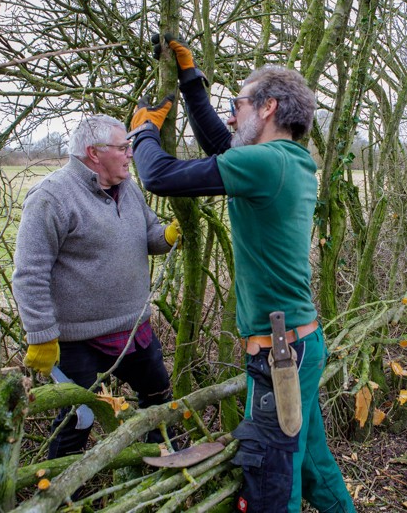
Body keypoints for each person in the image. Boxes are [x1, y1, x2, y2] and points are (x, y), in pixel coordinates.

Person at [127, 33, 355, 513]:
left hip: (279, 360)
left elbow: (160, 176)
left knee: (272, 489)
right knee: (313, 466)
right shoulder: (290, 161)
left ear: (268, 106)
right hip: (299, 345)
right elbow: (223, 144)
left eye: (239, 103)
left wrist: (143, 133)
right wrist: (191, 82)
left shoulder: (266, 163)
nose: (232, 114)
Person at [13, 114, 181, 458]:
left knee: (160, 400)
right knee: (79, 418)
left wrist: (167, 236)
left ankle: (166, 463)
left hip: (133, 328)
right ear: (94, 153)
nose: (130, 154)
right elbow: (29, 273)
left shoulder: (128, 188)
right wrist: (41, 334)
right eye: (122, 148)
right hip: (76, 340)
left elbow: (148, 234)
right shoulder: (51, 197)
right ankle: (59, 496)